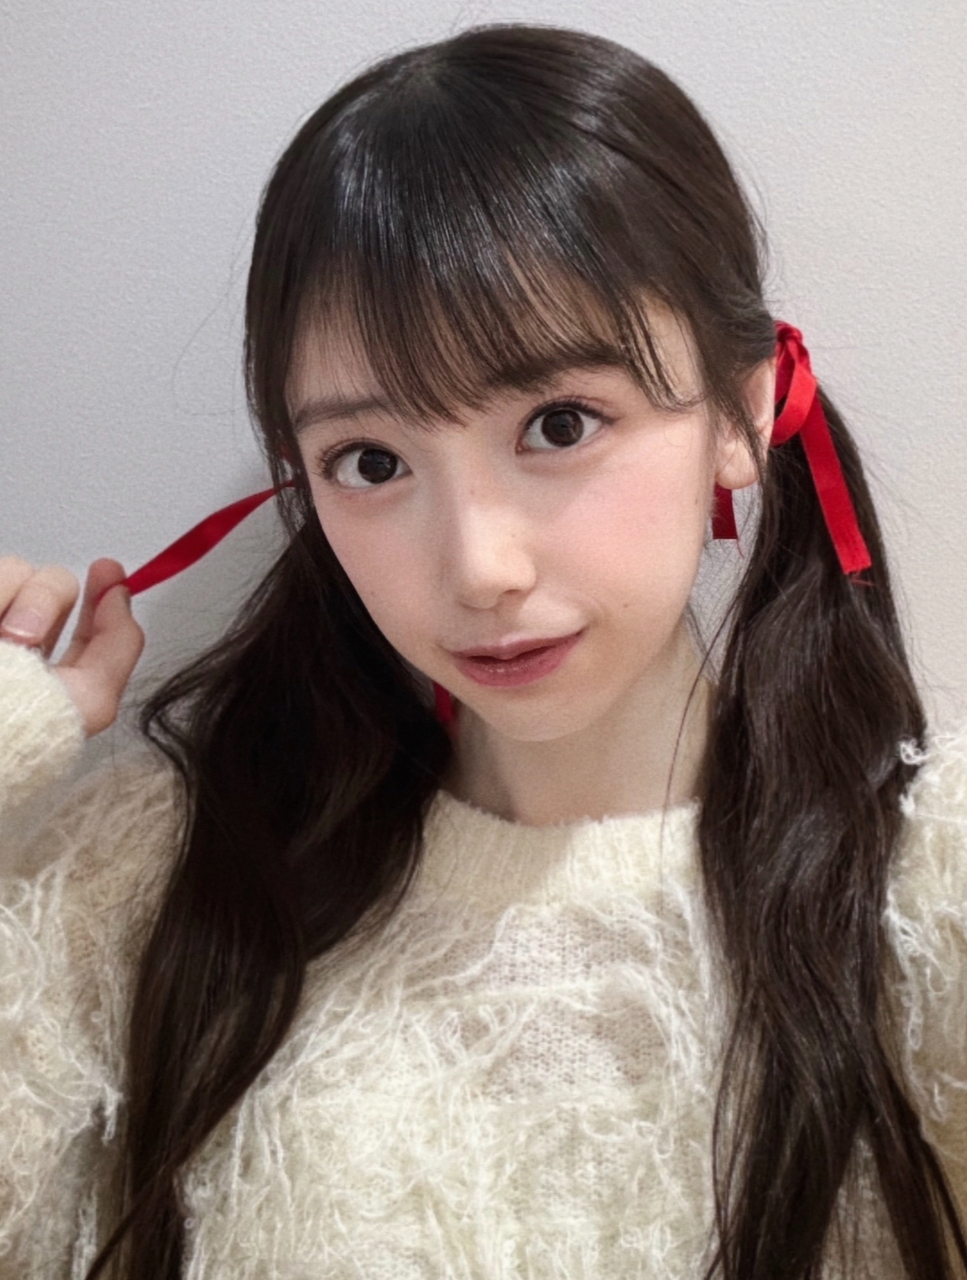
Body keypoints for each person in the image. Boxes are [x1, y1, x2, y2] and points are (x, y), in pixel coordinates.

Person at [1, 21, 966, 1280]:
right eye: (371, 461)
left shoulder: (923, 900)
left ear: (740, 412)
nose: (477, 567)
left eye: (559, 424)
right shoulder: (162, 886)